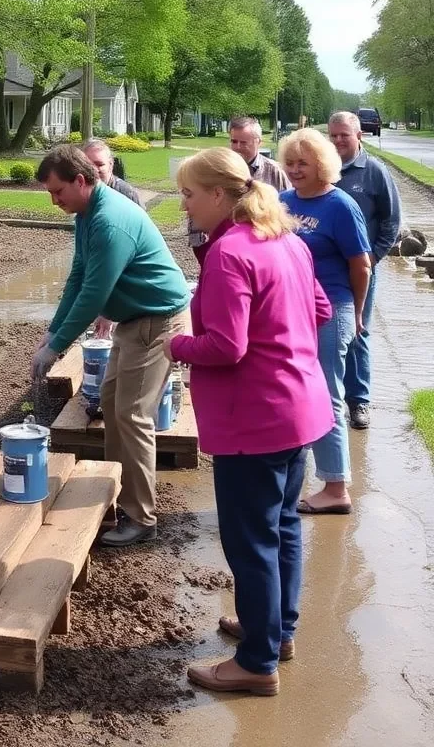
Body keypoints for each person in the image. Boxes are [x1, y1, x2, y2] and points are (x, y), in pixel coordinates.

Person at [163, 148, 333, 697]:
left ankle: (257, 663)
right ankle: (276, 631)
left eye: (189, 194)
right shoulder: (288, 241)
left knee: (250, 541)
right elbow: (322, 311)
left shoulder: (228, 253)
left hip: (254, 420)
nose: (184, 205)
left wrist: (177, 344)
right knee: (282, 528)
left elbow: (226, 346)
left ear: (218, 195)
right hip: (300, 407)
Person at [31, 145, 189, 547]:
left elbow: (94, 294)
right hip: (134, 319)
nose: (54, 201)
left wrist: (57, 347)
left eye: (57, 192)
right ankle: (119, 495)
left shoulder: (109, 221)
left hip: (156, 322)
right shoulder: (86, 213)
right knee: (113, 399)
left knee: (132, 414)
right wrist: (53, 332)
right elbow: (78, 276)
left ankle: (141, 517)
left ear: (81, 181)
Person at [279, 129, 371, 515]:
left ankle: (336, 487)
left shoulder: (340, 205)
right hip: (292, 310)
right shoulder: (283, 201)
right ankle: (293, 475)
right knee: (295, 392)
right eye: (291, 163)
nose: (296, 170)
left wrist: (358, 312)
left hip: (332, 309)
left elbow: (361, 264)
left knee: (327, 395)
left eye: (304, 163)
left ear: (323, 164)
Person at [328, 110, 402, 429]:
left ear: (359, 136)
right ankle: (326, 399)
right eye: (333, 135)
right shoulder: (322, 167)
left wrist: (371, 259)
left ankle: (359, 402)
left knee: (357, 332)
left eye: (344, 135)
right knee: (324, 334)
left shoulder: (374, 171)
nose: (338, 141)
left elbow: (391, 222)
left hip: (360, 270)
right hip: (324, 271)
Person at [187, 117, 289, 247]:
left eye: (243, 143)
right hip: (220, 245)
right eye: (234, 142)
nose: (237, 147)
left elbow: (286, 212)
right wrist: (200, 246)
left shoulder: (275, 172)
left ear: (259, 142)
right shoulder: (217, 170)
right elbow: (199, 204)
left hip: (262, 245)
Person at [81, 137, 142, 206]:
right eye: (88, 164)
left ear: (110, 164)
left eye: (99, 165)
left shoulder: (126, 194)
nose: (93, 169)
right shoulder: (80, 192)